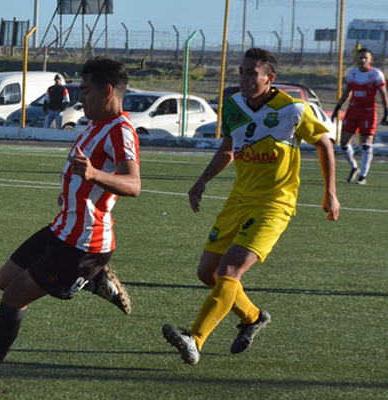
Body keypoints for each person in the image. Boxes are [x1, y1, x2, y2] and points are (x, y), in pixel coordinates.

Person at [0, 57, 140, 395]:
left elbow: (134, 184)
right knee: (5, 280)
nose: (80, 98)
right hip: (61, 228)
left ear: (108, 91)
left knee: (16, 296)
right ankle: (93, 279)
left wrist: (94, 175)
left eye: (87, 91)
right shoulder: (93, 124)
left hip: (84, 243)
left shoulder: (120, 131)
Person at [161, 48, 340, 366]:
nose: (242, 78)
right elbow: (227, 149)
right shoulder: (232, 107)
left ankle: (195, 338)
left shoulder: (292, 109)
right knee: (208, 273)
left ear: (269, 78)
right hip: (238, 199)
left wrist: (330, 193)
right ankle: (253, 316)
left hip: (275, 202)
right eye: (240, 72)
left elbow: (324, 143)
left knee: (231, 269)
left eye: (250, 73)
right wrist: (202, 180)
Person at [331, 48, 388, 185]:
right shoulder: (353, 73)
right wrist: (337, 108)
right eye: (360, 57)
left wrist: (386, 112)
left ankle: (363, 176)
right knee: (344, 142)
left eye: (365, 58)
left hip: (368, 112)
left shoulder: (376, 74)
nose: (362, 60)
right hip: (352, 111)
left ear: (371, 60)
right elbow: (346, 93)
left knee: (366, 144)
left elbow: (383, 94)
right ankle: (354, 167)